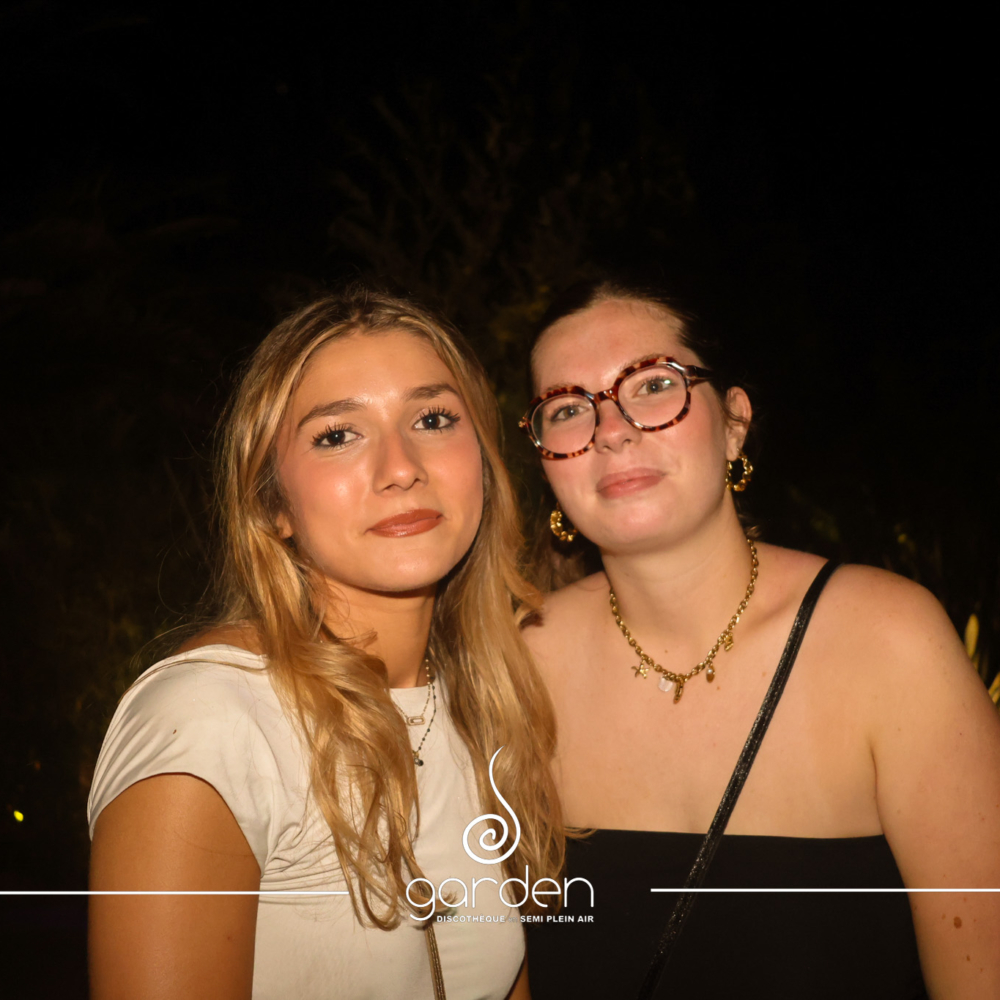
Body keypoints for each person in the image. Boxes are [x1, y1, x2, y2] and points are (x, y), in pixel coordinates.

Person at [518, 275, 1000, 999]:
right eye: (566, 408)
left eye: (653, 385)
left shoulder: (887, 644)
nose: (610, 429)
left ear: (735, 421)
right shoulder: (518, 665)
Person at [88, 285, 562, 1000]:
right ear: (273, 505)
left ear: (485, 466)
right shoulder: (210, 721)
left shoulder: (482, 707)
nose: (401, 467)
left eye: (433, 419)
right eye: (338, 435)